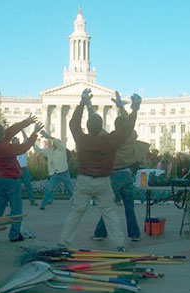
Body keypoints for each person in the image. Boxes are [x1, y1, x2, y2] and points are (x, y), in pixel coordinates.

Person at [58, 89, 141, 252]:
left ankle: (64, 242)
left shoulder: (81, 139)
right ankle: (119, 244)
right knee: (109, 213)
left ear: (87, 127)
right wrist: (135, 110)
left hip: (84, 181)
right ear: (101, 127)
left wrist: (82, 103)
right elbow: (127, 129)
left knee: (76, 212)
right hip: (103, 182)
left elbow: (73, 123)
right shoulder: (109, 141)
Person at [93, 91, 149, 242]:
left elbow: (97, 128)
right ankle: (134, 234)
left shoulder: (111, 138)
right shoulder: (130, 137)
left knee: (108, 207)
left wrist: (89, 108)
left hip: (114, 176)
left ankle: (100, 233)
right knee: (129, 207)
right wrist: (123, 109)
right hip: (127, 175)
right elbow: (129, 124)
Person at [0, 116, 43, 242]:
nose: (6, 133)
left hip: (1, 180)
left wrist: (26, 122)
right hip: (12, 180)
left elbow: (11, 130)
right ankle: (14, 235)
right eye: (3, 132)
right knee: (16, 208)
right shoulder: (4, 147)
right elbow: (23, 148)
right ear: (0, 135)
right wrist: (34, 133)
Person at [33, 131, 73, 210]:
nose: (55, 143)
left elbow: (55, 141)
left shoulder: (62, 148)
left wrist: (47, 136)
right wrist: (32, 143)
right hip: (55, 173)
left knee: (70, 189)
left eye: (57, 142)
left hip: (64, 172)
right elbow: (39, 150)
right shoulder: (49, 150)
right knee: (49, 188)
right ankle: (43, 204)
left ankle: (76, 204)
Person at [12, 135, 37, 205]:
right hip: (16, 169)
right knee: (16, 187)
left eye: (17, 140)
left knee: (28, 185)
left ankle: (32, 200)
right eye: (15, 140)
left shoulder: (23, 147)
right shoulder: (11, 149)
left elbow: (27, 139)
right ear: (12, 142)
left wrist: (23, 130)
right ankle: (14, 201)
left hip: (24, 169)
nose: (17, 141)